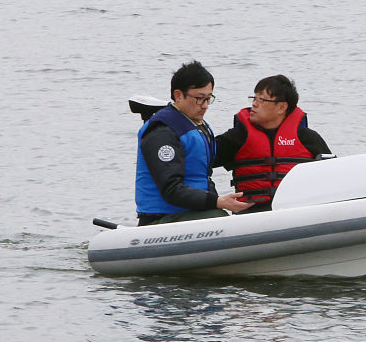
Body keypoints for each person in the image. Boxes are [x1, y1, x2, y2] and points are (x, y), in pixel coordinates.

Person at [135, 61, 252, 226]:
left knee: (220, 214)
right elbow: (171, 190)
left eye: (208, 98)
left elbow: (204, 159)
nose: (205, 106)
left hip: (194, 213)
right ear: (178, 95)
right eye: (199, 99)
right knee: (218, 216)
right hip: (161, 219)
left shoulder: (195, 124)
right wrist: (218, 201)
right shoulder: (162, 132)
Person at [216, 75, 331, 213]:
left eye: (262, 99)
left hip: (297, 210)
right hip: (251, 213)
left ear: (281, 107)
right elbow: (198, 164)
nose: (254, 104)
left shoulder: (307, 138)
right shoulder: (238, 136)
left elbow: (332, 176)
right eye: (254, 98)